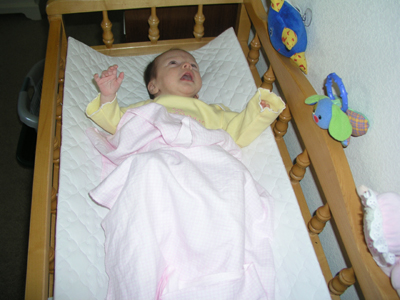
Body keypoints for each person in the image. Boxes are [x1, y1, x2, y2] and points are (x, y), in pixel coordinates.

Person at [86, 49, 285, 147]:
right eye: (174, 63)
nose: (187, 66)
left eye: (193, 66)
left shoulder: (213, 111)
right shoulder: (147, 107)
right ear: (153, 86)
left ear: (197, 92)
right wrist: (108, 95)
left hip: (200, 159)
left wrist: (261, 109)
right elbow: (116, 122)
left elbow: (239, 130)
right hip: (159, 155)